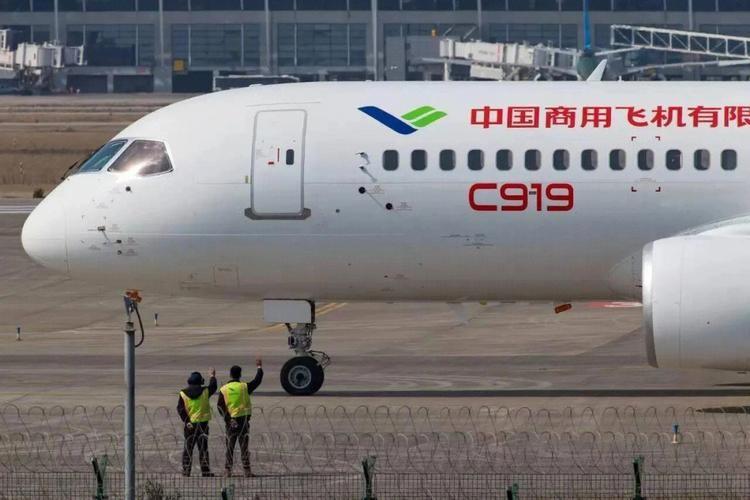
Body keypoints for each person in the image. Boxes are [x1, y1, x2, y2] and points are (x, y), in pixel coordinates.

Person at [217, 358, 264, 477]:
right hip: (243, 420)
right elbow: (257, 381)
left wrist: (228, 419)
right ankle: (247, 470)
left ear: (230, 375)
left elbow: (220, 406)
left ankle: (228, 470)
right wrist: (259, 367)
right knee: (244, 447)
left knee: (230, 447)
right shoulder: (244, 387)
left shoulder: (224, 389)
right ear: (240, 375)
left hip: (231, 421)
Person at [177, 368, 217, 477]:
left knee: (188, 448)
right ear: (200, 381)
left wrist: (187, 421)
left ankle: (186, 470)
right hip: (203, 424)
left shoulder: (183, 393)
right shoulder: (205, 391)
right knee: (203, 448)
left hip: (190, 425)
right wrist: (212, 375)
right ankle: (205, 471)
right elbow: (213, 386)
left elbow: (180, 409)